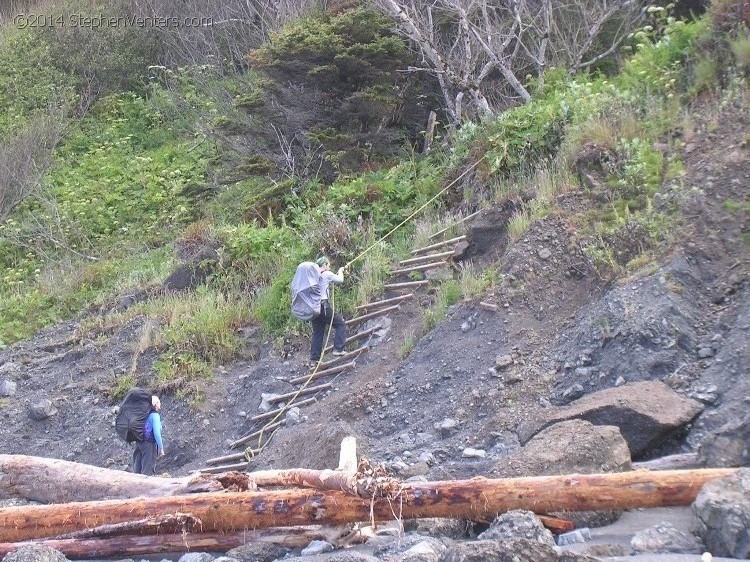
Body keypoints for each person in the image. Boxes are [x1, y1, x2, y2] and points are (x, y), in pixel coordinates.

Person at [310, 256, 347, 364]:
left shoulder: (313, 276)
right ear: (325, 265)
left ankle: (314, 360)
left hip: (314, 308)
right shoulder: (326, 274)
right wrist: (340, 271)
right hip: (323, 306)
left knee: (318, 333)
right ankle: (338, 349)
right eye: (329, 265)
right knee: (340, 323)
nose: (329, 267)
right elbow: (340, 280)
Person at [133, 395, 164, 476]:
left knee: (137, 469)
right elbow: (157, 433)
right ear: (156, 404)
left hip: (138, 442)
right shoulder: (155, 415)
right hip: (149, 445)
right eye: (159, 402)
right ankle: (146, 488)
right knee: (147, 471)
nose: (160, 404)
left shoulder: (142, 414)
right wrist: (161, 447)